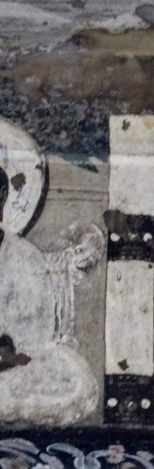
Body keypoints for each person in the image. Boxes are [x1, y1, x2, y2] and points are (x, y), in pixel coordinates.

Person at [0, 165, 96, 426]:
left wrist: (8, 351)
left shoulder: (24, 256)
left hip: (12, 367)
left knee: (71, 380)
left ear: (2, 198)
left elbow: (36, 333)